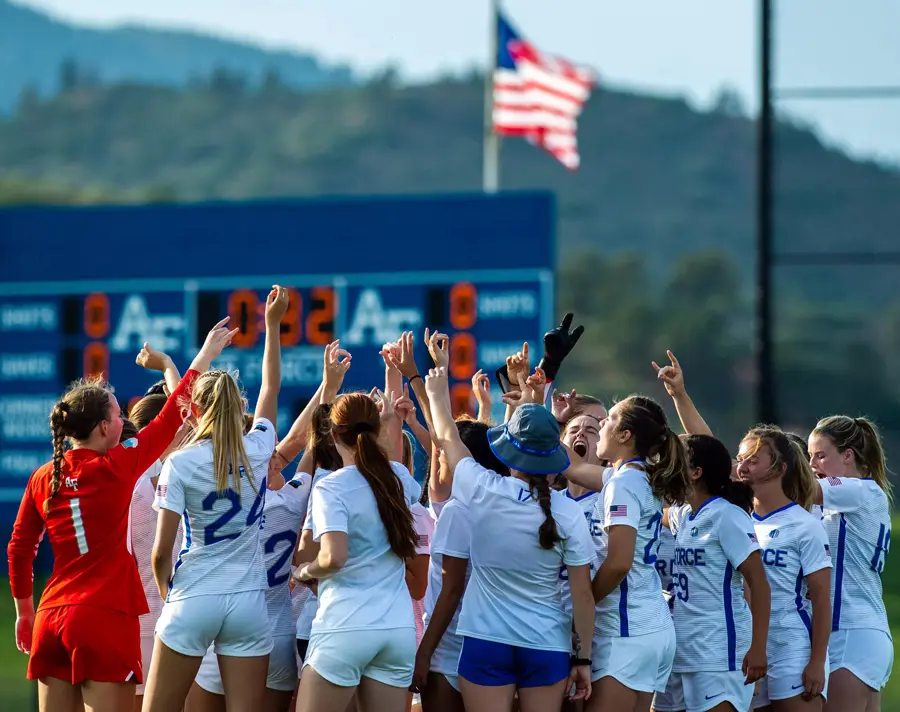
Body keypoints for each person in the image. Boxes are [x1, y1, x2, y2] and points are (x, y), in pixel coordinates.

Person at [7, 319, 235, 712]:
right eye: (116, 417)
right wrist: (206, 355)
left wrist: (24, 612)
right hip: (104, 618)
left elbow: (20, 547)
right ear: (101, 429)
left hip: (51, 617)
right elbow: (171, 417)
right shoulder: (116, 466)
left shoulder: (44, 476)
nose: (122, 422)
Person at [141, 286, 289, 712]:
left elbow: (160, 554)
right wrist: (273, 326)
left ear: (197, 410)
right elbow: (270, 391)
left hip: (195, 594)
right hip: (248, 602)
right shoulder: (259, 451)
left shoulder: (182, 463)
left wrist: (174, 600)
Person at [425, 366, 595, 712]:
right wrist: (584, 660)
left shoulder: (482, 488)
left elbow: (447, 437)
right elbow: (582, 595)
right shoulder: (567, 512)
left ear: (507, 452)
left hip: (486, 642)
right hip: (547, 645)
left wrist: (436, 391)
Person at [292, 391, 422, 712]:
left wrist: (304, 571)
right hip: (397, 630)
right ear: (376, 430)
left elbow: (334, 557)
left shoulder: (331, 486)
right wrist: (389, 423)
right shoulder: (401, 478)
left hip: (345, 625)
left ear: (334, 434)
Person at [562, 395, 690, 712]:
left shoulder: (624, 483)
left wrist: (584, 607)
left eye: (610, 420)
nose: (601, 424)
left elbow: (619, 563)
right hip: (650, 626)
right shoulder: (636, 474)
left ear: (625, 435)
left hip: (626, 630)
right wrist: (553, 419)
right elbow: (573, 467)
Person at [188, 434, 312, 712]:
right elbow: (308, 460)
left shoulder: (221, 503)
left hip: (227, 630)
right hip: (278, 635)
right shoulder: (293, 498)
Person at [667, 434, 771, 712]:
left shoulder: (727, 516)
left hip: (719, 653)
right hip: (685, 650)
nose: (668, 465)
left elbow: (759, 584)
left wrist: (759, 648)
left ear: (696, 472)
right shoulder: (686, 513)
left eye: (676, 461)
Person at [413, 419, 509, 712]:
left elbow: (451, 590)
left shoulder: (458, 511)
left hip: (449, 647)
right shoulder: (503, 505)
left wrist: (425, 652)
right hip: (493, 643)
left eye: (442, 454)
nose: (439, 459)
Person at [735, 425, 832, 711]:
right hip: (748, 649)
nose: (743, 467)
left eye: (753, 460)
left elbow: (822, 601)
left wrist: (816, 662)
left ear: (779, 468)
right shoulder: (736, 521)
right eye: (741, 458)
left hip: (792, 648)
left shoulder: (805, 525)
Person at [807, 416, 893, 712]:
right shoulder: (844, 497)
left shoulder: (858, 491)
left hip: (852, 632)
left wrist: (765, 466)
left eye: (820, 455)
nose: (812, 464)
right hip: (859, 631)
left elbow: (788, 486)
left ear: (848, 456)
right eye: (808, 456)